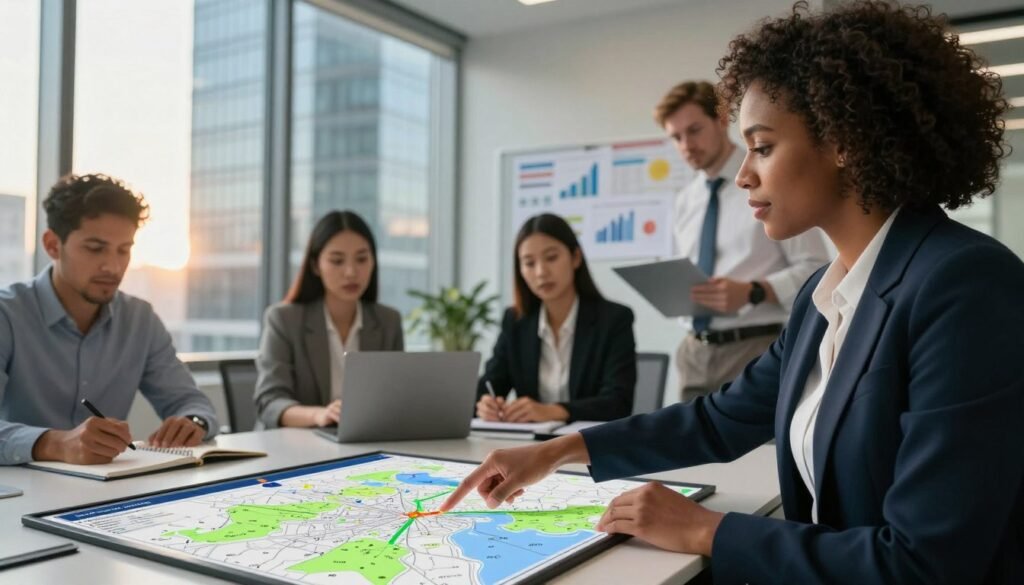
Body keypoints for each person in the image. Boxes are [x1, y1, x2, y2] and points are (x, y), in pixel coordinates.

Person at [442, 2, 1024, 582]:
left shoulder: (963, 285)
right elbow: (719, 420)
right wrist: (556, 451)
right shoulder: (825, 296)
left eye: (763, 147)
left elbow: (926, 564)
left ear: (845, 140)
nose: (744, 174)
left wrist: (705, 530)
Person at [0, 174, 219, 466]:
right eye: (95, 248)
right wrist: (55, 443)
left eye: (124, 250)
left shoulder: (140, 319)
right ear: (53, 245)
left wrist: (193, 422)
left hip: (107, 493)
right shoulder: (7, 314)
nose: (113, 266)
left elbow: (192, 403)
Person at [657, 80, 831, 402]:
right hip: (693, 352)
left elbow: (817, 269)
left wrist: (753, 292)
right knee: (689, 450)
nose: (686, 145)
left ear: (721, 120)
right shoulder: (684, 201)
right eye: (676, 137)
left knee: (760, 451)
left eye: (694, 130)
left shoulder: (768, 180)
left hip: (754, 348)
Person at [476, 213, 636, 423]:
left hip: (590, 446)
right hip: (531, 447)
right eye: (529, 263)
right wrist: (485, 404)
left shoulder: (614, 319)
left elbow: (618, 403)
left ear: (575, 257)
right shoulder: (515, 322)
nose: (541, 272)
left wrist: (554, 411)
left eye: (551, 258)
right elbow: (490, 386)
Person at [254, 210, 403, 429]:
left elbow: (396, 399)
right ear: (316, 265)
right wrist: (319, 415)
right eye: (337, 261)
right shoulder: (284, 320)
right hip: (298, 446)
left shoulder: (388, 321)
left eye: (362, 259)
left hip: (364, 444)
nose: (351, 272)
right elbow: (269, 402)